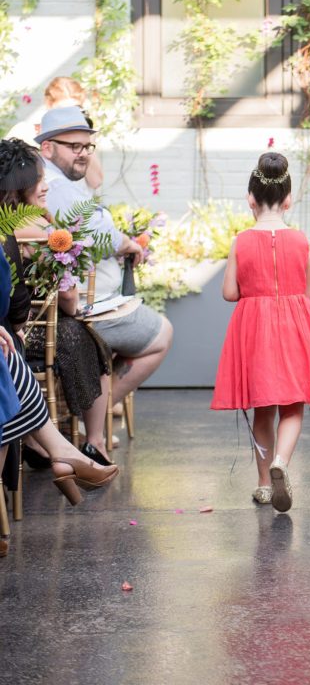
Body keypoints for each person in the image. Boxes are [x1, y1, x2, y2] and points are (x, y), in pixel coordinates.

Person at [211, 152, 310, 512]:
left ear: (251, 199)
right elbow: (308, 289)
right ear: (288, 200)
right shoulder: (300, 240)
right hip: (294, 328)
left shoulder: (241, 241)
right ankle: (281, 462)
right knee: (292, 406)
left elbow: (228, 292)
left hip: (255, 330)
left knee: (263, 410)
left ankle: (263, 484)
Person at [35, 107, 172, 417]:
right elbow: (101, 236)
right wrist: (128, 244)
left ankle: (84, 414)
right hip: (85, 308)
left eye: (88, 146)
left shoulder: (50, 179)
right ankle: (89, 417)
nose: (83, 154)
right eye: (74, 146)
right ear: (47, 147)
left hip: (80, 304)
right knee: (162, 333)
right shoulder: (55, 187)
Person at [0, 138, 112, 466]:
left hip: (23, 323)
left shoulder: (21, 221)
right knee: (83, 338)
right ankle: (81, 443)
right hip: (29, 326)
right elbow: (66, 296)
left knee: (86, 338)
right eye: (39, 180)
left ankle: (52, 445)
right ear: (19, 186)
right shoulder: (27, 227)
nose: (46, 186)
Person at [0, 247, 118, 557]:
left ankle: (62, 450)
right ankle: (65, 452)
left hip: (22, 333)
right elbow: (14, 302)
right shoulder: (12, 232)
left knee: (10, 364)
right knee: (10, 367)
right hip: (31, 332)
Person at [8, 76, 103, 192]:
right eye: (62, 110)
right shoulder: (25, 130)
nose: (68, 117)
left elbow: (96, 181)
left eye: (74, 110)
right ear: (49, 104)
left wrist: (84, 140)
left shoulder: (84, 135)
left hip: (76, 200)